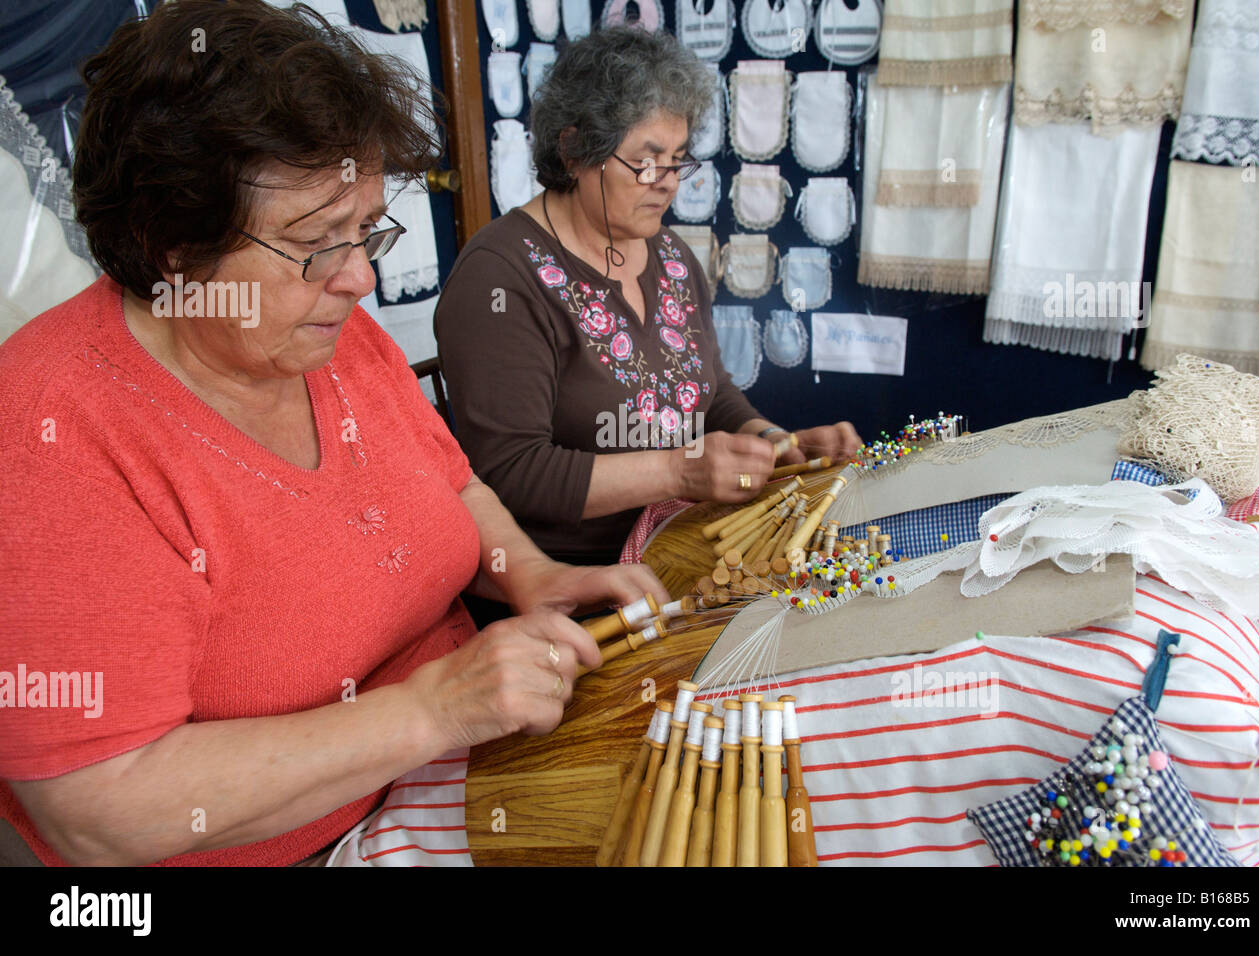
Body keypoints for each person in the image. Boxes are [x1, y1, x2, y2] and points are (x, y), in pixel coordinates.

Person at [0, 0, 664, 867]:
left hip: (449, 779)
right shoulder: (54, 437)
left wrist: (529, 573)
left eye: (366, 231)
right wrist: (431, 710)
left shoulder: (317, 328)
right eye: (316, 243)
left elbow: (450, 484)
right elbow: (101, 809)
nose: (358, 277)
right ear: (170, 245)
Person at [435, 27, 863, 569]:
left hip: (682, 538)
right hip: (574, 581)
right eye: (646, 160)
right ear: (573, 151)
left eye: (678, 159)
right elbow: (512, 472)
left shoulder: (671, 256)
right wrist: (678, 470)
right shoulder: (499, 280)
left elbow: (710, 395)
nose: (667, 183)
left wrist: (778, 444)